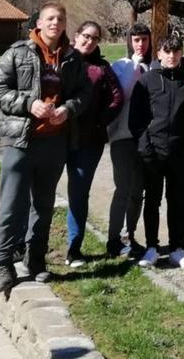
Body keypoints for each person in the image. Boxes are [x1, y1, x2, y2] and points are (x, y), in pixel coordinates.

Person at [0, 1, 91, 292]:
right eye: (50, 18)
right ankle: (3, 264)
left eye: (60, 18)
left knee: (43, 206)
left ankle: (36, 260)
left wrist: (68, 110)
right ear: (39, 23)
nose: (55, 23)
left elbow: (85, 92)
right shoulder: (18, 52)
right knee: (12, 205)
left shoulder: (71, 58)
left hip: (54, 142)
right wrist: (27, 104)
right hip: (21, 142)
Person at [129, 36, 184, 270]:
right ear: (159, 54)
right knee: (152, 200)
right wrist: (145, 148)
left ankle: (177, 248)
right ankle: (151, 247)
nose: (172, 56)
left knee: (178, 201)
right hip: (152, 153)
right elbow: (137, 119)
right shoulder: (147, 81)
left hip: (179, 154)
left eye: (176, 52)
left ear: (181, 54)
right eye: (167, 52)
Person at [64, 21, 123, 267]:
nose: (89, 41)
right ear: (76, 36)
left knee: (78, 192)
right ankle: (30, 247)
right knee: (41, 191)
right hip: (57, 135)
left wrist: (100, 122)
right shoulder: (62, 60)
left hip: (89, 140)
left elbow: (117, 97)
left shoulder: (102, 68)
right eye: (86, 36)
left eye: (95, 38)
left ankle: (73, 248)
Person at [106, 23, 152, 257]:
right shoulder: (121, 66)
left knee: (138, 191)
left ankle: (129, 235)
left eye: (144, 39)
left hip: (146, 139)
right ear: (129, 42)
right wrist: (135, 66)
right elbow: (121, 95)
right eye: (136, 40)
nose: (140, 44)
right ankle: (113, 239)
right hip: (122, 136)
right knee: (122, 188)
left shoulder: (155, 66)